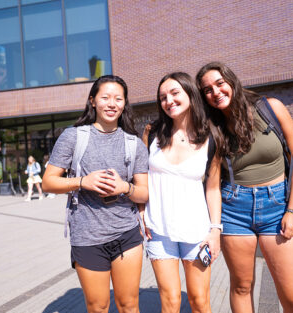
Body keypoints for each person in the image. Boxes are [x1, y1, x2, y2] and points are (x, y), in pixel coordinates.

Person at [196, 62, 293, 313]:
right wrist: (214, 227)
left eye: (219, 84)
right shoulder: (213, 130)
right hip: (235, 210)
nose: (215, 92)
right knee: (242, 287)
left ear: (231, 81)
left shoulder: (271, 108)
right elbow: (212, 185)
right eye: (207, 90)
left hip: (278, 207)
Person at [42, 75, 149, 313]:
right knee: (98, 306)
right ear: (93, 101)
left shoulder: (134, 144)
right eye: (105, 97)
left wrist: (125, 187)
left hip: (127, 234)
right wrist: (82, 181)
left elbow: (144, 193)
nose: (112, 104)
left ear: (124, 104)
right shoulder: (73, 137)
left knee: (129, 305)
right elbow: (47, 183)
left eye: (118, 99)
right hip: (87, 237)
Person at [141, 72, 222, 313]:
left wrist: (215, 230)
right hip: (158, 230)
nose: (169, 100)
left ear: (190, 94)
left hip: (196, 231)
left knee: (199, 301)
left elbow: (213, 187)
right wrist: (140, 212)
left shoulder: (211, 137)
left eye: (175, 93)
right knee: (171, 301)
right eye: (163, 97)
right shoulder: (152, 133)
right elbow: (141, 177)